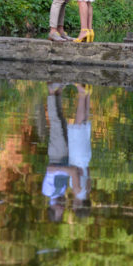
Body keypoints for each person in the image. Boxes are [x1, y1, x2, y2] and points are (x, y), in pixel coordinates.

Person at [41, 82, 92, 222]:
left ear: (52, 208)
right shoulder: (64, 193)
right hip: (69, 155)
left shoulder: (48, 192)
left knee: (57, 123)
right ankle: (56, 91)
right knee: (62, 122)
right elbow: (75, 172)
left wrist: (70, 170)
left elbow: (50, 169)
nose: (63, 209)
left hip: (57, 155)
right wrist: (70, 170)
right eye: (61, 212)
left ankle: (54, 91)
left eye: (60, 212)